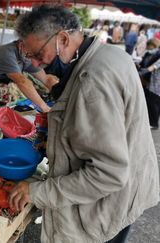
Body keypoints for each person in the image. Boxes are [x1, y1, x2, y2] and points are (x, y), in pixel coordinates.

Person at [10, 5, 159, 243]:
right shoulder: (110, 53)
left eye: (39, 54)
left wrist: (38, 192)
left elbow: (108, 174)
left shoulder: (92, 83)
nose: (37, 65)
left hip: (108, 203)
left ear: (63, 39)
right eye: (31, 58)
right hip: (131, 185)